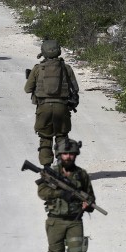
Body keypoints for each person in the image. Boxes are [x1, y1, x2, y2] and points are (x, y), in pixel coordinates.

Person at [36, 138, 95, 252]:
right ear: (59, 154)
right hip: (55, 221)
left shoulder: (82, 175)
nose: (68, 157)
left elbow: (91, 199)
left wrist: (87, 205)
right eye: (65, 154)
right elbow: (42, 193)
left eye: (71, 154)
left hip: (75, 221)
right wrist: (60, 193)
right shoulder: (50, 173)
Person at [25, 39, 80, 167]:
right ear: (58, 51)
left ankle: (46, 167)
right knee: (62, 136)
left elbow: (27, 89)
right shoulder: (66, 68)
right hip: (62, 107)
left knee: (45, 137)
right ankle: (62, 164)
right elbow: (75, 89)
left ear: (43, 52)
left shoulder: (38, 69)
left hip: (43, 108)